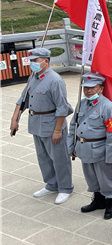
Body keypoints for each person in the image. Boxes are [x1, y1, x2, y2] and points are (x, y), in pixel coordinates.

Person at [10, 47, 74, 204]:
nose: (33, 64)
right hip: (36, 124)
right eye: (31, 61)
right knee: (43, 157)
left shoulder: (55, 80)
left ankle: (65, 187)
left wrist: (58, 129)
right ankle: (52, 183)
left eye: (36, 61)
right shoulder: (33, 77)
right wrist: (15, 119)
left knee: (59, 158)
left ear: (46, 61)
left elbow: (62, 107)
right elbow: (23, 99)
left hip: (52, 124)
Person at [68, 73, 112, 219]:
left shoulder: (108, 107)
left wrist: (111, 155)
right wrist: (71, 145)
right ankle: (98, 199)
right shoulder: (81, 103)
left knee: (106, 178)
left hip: (100, 148)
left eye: (93, 88)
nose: (88, 91)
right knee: (91, 177)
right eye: (86, 88)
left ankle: (110, 202)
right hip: (84, 148)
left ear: (101, 89)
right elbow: (73, 126)